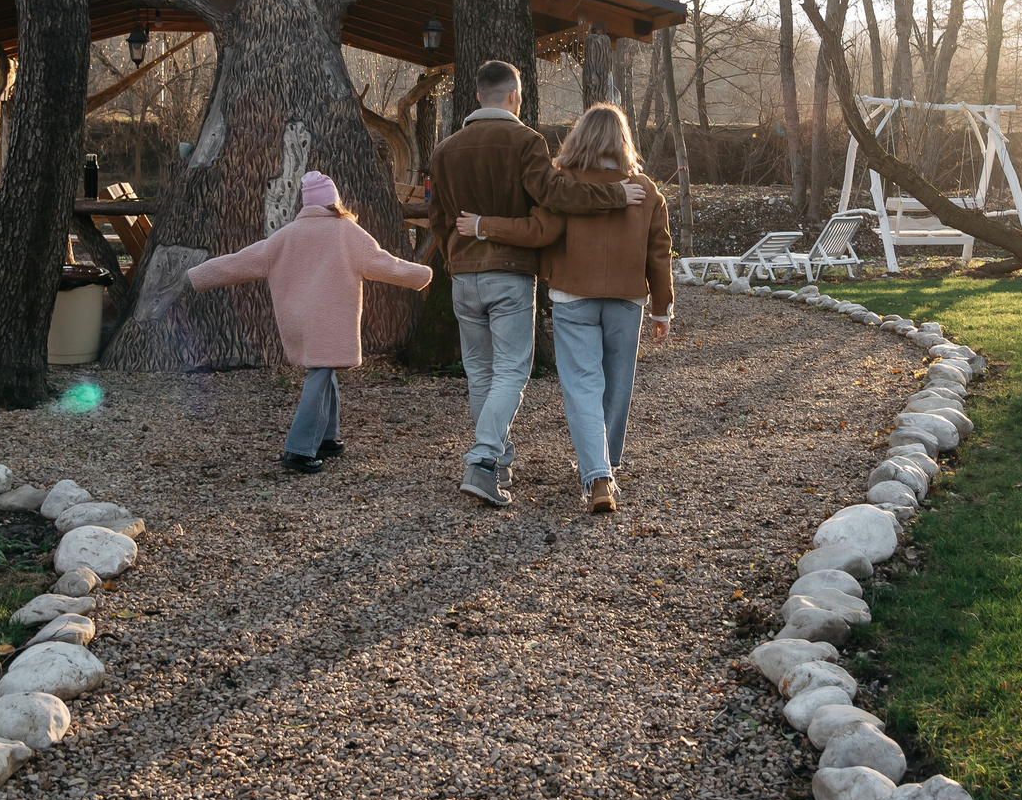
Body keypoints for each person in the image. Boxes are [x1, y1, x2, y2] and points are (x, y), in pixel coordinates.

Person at [427, 60, 645, 508]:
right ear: (514, 96)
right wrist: (616, 194)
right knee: (511, 371)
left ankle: (500, 463)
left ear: (477, 97)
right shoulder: (526, 141)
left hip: (463, 276)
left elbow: (438, 220)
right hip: (507, 273)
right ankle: (484, 461)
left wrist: (454, 260)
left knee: (480, 374)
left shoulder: (444, 150)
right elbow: (556, 196)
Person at [459, 102, 671, 513]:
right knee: (617, 385)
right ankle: (604, 467)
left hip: (573, 297)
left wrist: (486, 226)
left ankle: (598, 476)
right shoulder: (645, 190)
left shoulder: (564, 185)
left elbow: (539, 232)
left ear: (580, 137)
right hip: (628, 300)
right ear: (624, 141)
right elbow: (658, 252)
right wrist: (662, 309)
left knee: (583, 387)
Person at [183, 170, 431, 475]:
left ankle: (326, 437)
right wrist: (422, 275)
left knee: (324, 372)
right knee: (321, 374)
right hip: (330, 320)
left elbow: (239, 261)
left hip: (297, 322)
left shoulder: (285, 236)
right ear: (335, 202)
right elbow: (386, 264)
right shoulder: (348, 232)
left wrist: (199, 276)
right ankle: (299, 450)